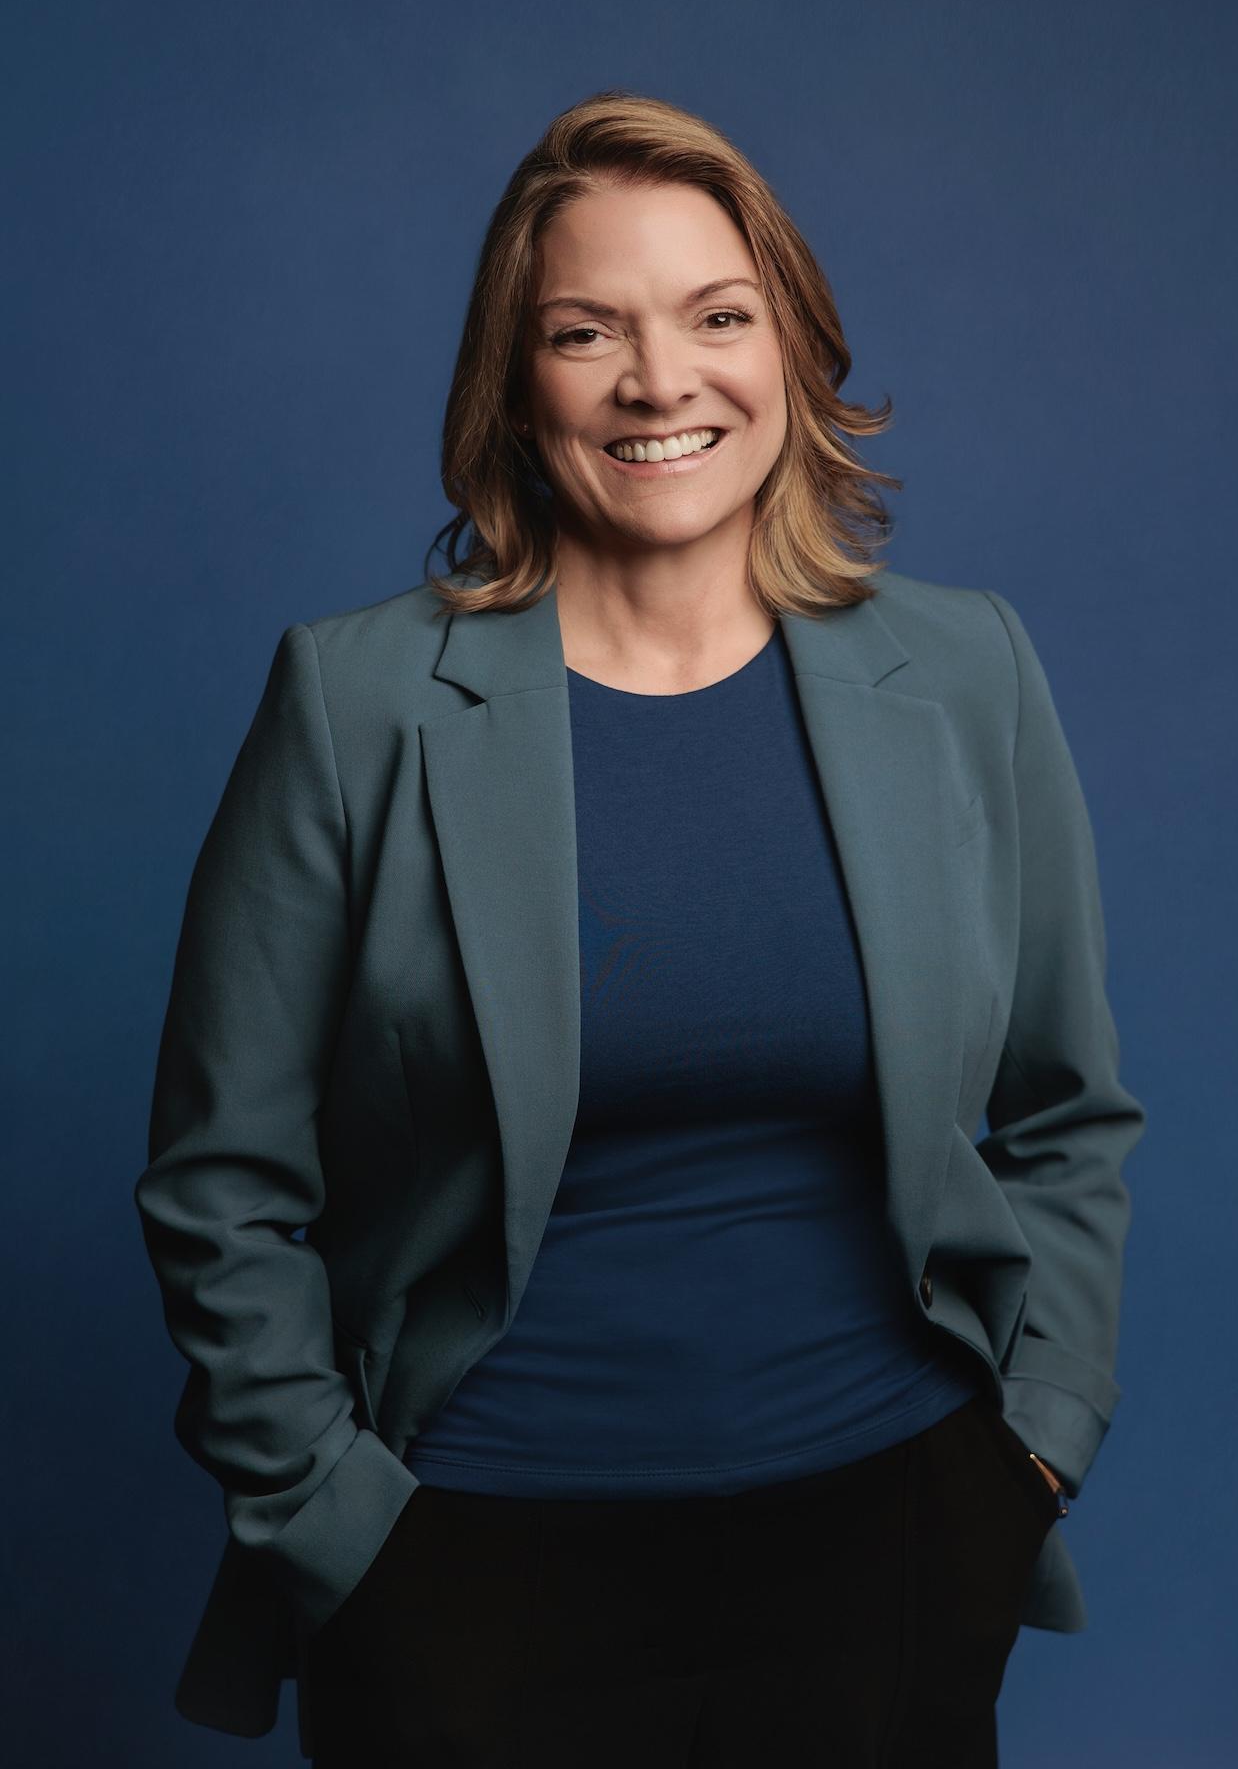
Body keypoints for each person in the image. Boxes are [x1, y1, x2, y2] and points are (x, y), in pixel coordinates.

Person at [134, 89, 1146, 1768]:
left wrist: (1028, 1447)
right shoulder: (361, 703)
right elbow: (218, 1185)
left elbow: (1065, 1112)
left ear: (791, 351)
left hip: (890, 1546)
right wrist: (338, 1526)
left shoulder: (965, 671)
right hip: (468, 1575)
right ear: (515, 390)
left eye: (717, 318)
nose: (661, 382)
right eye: (585, 331)